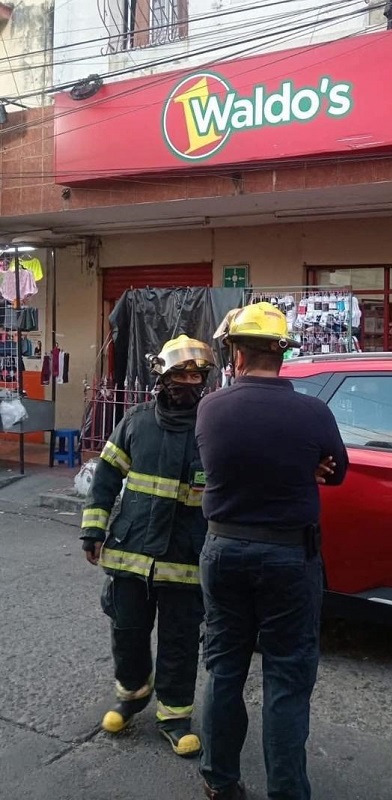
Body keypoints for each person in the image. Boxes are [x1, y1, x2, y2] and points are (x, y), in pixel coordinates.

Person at [195, 302, 348, 800]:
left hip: (223, 552)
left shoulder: (211, 408)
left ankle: (221, 781)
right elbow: (338, 469)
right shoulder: (313, 413)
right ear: (281, 356)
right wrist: (310, 467)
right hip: (288, 558)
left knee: (224, 670)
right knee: (286, 678)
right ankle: (286, 791)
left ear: (237, 354)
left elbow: (227, 464)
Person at [80, 335, 216, 758]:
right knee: (127, 631)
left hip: (184, 556)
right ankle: (133, 694)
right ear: (162, 377)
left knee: (178, 640)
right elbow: (105, 477)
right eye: (180, 374)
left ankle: (174, 717)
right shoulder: (135, 422)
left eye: (195, 375)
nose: (188, 382)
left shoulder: (212, 429)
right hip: (129, 550)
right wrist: (93, 530)